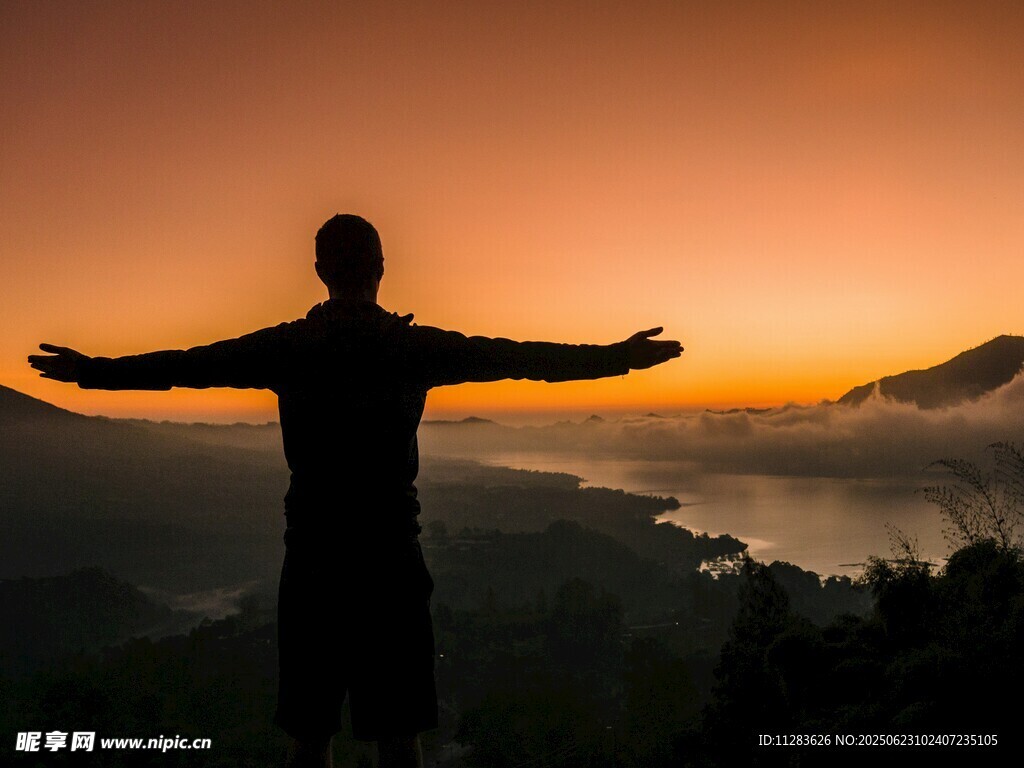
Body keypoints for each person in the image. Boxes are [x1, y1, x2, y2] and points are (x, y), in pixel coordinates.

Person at [28, 214, 683, 768]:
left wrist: (94, 373)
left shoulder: (292, 347)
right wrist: (616, 358)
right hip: (390, 561)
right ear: (381, 268)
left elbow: (189, 366)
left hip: (312, 559)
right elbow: (521, 358)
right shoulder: (409, 347)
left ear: (320, 271)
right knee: (399, 739)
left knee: (310, 738)